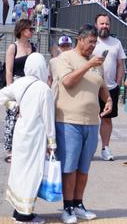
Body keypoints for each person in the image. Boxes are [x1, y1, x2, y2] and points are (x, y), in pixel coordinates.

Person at [52, 24, 112, 223]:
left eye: (95, 42)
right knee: (69, 167)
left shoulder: (96, 62)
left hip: (92, 122)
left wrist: (109, 99)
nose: (93, 46)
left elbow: (101, 85)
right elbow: (67, 81)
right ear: (80, 39)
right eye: (90, 42)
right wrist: (88, 65)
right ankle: (67, 207)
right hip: (68, 120)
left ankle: (78, 204)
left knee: (84, 167)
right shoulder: (65, 58)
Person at [0, 53, 56, 224]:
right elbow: (48, 118)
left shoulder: (20, 82)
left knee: (19, 170)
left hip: (21, 132)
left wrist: (13, 105)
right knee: (32, 172)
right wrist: (52, 142)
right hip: (36, 135)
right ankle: (25, 215)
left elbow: (2, 94)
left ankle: (19, 211)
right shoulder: (43, 88)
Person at [92, 13, 126, 162]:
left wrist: (118, 83)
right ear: (96, 25)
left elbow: (120, 64)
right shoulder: (91, 41)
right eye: (102, 23)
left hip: (110, 87)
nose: (104, 26)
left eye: (107, 23)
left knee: (106, 119)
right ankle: (88, 150)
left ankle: (105, 148)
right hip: (91, 86)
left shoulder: (116, 43)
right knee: (90, 119)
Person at [3, 19, 36, 162]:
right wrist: (10, 91)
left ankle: (25, 148)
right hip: (17, 83)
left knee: (28, 117)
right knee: (13, 116)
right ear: (22, 30)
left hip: (30, 85)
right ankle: (10, 150)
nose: (32, 31)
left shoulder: (33, 47)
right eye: (30, 29)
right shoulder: (13, 47)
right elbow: (8, 71)